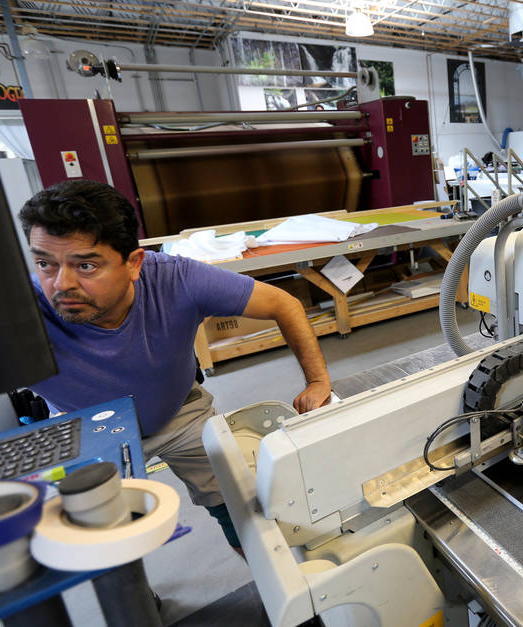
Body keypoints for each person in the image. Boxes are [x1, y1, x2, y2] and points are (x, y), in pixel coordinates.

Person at [19, 180, 331, 551]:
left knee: (240, 505)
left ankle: (267, 575)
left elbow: (284, 304)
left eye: (86, 265)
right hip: (85, 428)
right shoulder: (19, 310)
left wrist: (318, 382)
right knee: (96, 536)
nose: (61, 284)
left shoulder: (178, 279)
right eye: (45, 263)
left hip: (179, 413)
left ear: (134, 263)